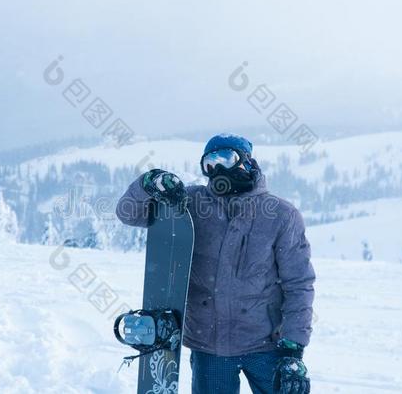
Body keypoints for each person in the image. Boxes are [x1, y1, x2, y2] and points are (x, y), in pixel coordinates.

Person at [116, 133, 315, 394]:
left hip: (266, 345)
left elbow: (298, 284)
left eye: (225, 158)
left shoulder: (281, 215)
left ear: (247, 162)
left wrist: (293, 348)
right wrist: (148, 183)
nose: (217, 168)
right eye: (209, 162)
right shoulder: (190, 205)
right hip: (209, 347)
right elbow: (129, 213)